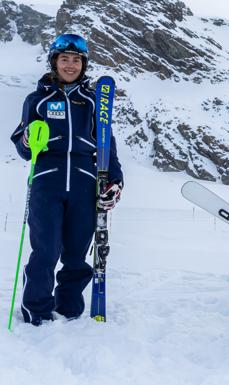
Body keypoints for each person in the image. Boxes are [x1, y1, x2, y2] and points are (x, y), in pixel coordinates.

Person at [10, 33, 124, 326]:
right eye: (65, 59)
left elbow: (106, 143)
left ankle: (70, 311)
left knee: (76, 253)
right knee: (45, 251)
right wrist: (27, 140)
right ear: (54, 62)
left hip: (85, 181)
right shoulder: (38, 99)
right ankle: (37, 310)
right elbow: (22, 145)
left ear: (83, 64)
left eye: (76, 60)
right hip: (47, 180)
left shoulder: (92, 101)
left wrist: (115, 180)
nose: (70, 65)